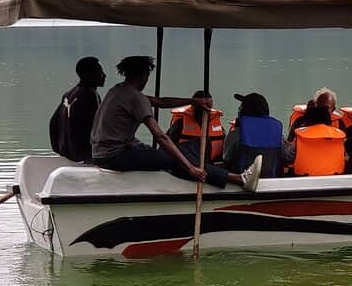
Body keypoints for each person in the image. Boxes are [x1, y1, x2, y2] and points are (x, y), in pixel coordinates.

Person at [90, 56, 261, 191]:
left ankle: (204, 168)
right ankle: (239, 179)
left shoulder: (118, 91)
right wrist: (189, 168)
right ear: (144, 76)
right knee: (174, 159)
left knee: (187, 149)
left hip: (102, 154)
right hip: (114, 157)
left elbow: (160, 102)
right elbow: (160, 136)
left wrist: (193, 102)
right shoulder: (135, 97)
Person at [49, 56, 105, 163]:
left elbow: (53, 123)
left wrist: (60, 149)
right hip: (83, 156)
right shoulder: (90, 94)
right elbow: (98, 127)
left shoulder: (68, 94)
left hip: (68, 153)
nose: (104, 75)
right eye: (100, 72)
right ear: (90, 74)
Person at [223, 92, 284, 178]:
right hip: (270, 180)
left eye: (241, 106)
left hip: (241, 181)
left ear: (244, 110)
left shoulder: (237, 133)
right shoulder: (277, 133)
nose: (239, 108)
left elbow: (226, 158)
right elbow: (284, 156)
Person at [167, 90, 225, 164]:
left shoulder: (215, 123)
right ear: (193, 105)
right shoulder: (181, 123)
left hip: (212, 164)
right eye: (201, 104)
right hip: (187, 164)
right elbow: (168, 145)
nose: (204, 107)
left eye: (208, 104)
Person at [290, 105, 347, 176]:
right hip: (333, 180)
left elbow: (288, 157)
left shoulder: (300, 137)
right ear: (329, 121)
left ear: (307, 121)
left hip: (304, 180)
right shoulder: (339, 138)